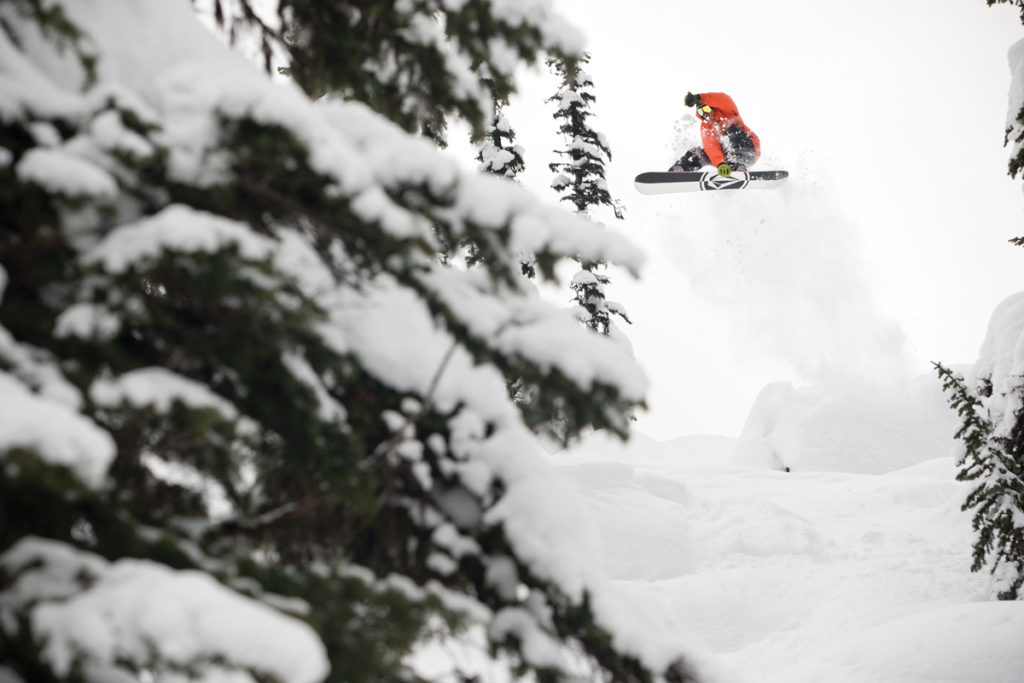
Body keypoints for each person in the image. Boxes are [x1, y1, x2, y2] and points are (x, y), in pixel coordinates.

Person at [669, 91, 760, 177]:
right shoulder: (706, 126)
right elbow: (711, 146)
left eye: (706, 109)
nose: (705, 114)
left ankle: (736, 165)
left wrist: (699, 98)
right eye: (701, 112)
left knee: (732, 129)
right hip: (727, 157)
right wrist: (721, 163)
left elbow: (723, 99)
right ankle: (680, 169)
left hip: (749, 150)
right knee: (697, 152)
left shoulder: (727, 113)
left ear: (712, 107)